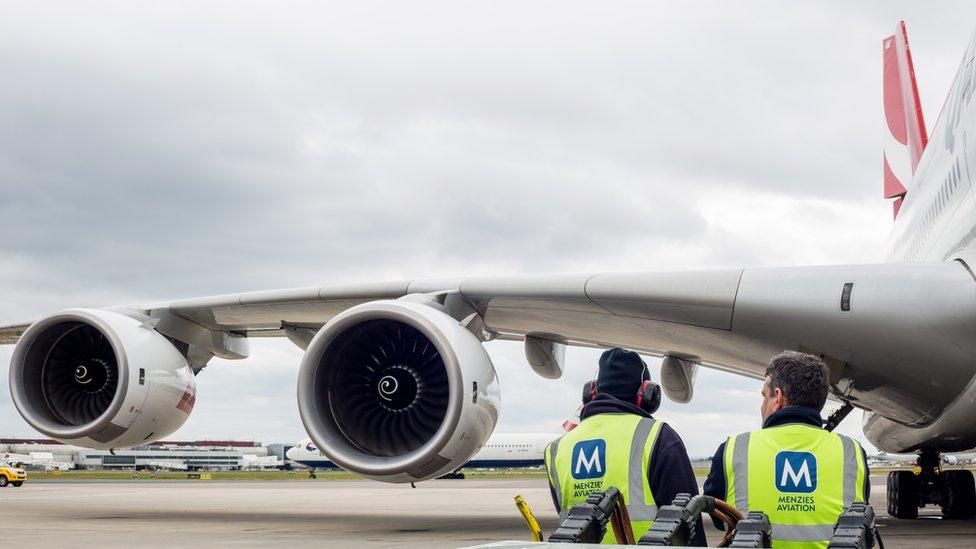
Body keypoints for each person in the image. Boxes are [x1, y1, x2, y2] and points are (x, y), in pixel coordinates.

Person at [703, 351, 870, 548]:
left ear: (777, 398)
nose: (761, 405)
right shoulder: (852, 452)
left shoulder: (735, 448)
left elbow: (719, 517)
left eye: (764, 396)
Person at [545, 347, 705, 545]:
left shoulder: (558, 448)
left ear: (592, 391)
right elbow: (689, 526)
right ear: (646, 394)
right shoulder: (658, 437)